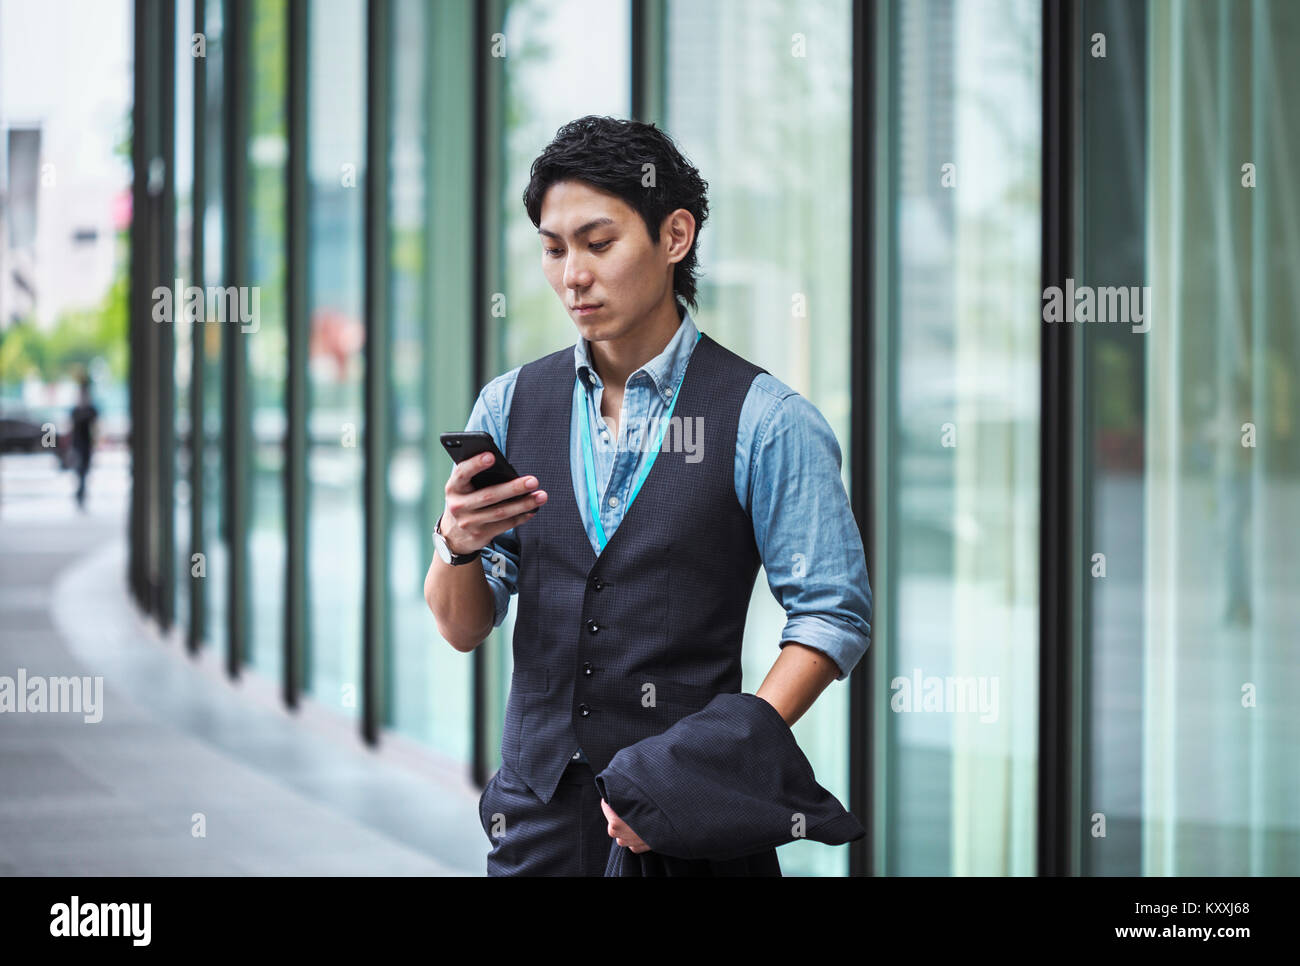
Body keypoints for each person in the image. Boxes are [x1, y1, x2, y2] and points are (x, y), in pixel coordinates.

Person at [424, 115, 873, 876]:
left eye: (599, 244)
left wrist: (710, 759)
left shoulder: (765, 419)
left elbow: (832, 613)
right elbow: (464, 628)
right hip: (537, 823)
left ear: (675, 236)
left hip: (692, 829)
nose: (573, 275)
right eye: (554, 248)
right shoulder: (509, 406)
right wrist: (454, 546)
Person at [69, 376, 99, 510]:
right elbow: (71, 428)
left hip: (86, 445)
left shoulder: (90, 410)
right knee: (80, 470)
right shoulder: (76, 410)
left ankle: (81, 493)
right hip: (78, 445)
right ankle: (80, 493)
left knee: (84, 471)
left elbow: (95, 428)